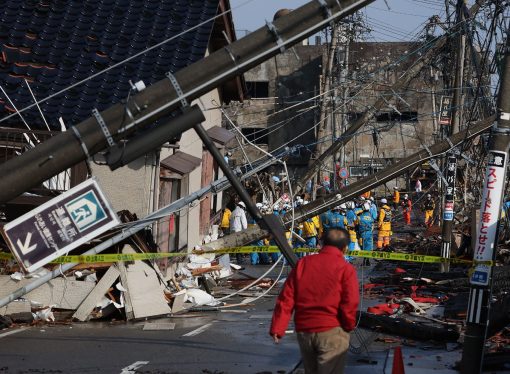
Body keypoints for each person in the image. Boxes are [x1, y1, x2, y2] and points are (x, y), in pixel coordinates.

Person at [270, 228, 359, 374]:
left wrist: (278, 327)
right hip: (333, 330)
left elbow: (286, 298)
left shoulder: (303, 264)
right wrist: (348, 325)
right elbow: (350, 302)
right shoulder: (345, 269)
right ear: (345, 248)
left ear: (322, 243)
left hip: (305, 332)